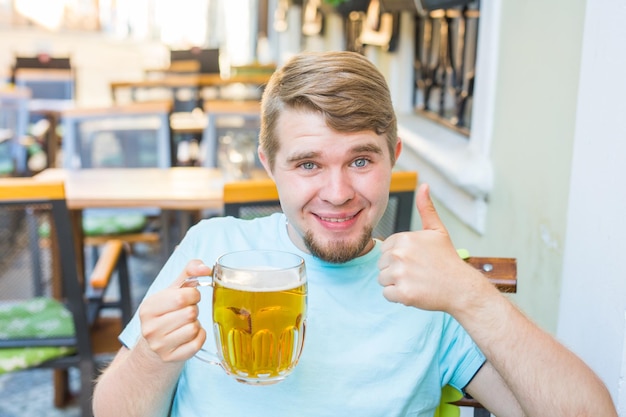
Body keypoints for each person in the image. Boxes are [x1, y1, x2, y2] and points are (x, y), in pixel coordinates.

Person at [93, 51, 617, 417]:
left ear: (394, 159)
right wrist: (150, 357)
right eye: (307, 164)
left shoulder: (433, 288)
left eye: (361, 159)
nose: (338, 191)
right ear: (269, 167)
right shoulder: (210, 251)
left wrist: (471, 296)